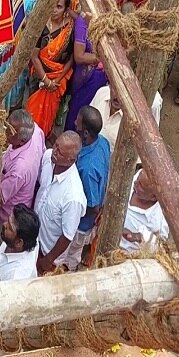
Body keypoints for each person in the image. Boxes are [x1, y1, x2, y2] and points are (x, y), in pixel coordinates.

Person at [64, 106, 110, 270]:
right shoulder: (103, 142)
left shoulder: (87, 168)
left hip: (81, 224)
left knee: (70, 254)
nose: (75, 122)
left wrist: (73, 217)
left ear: (85, 133)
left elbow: (93, 205)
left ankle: (70, 272)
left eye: (78, 121)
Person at [34, 131, 85, 274]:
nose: (54, 152)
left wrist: (47, 260)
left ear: (71, 160)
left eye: (60, 152)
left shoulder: (73, 196)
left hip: (49, 254)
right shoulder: (48, 157)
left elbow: (67, 236)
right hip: (34, 241)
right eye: (56, 146)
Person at [27, 0, 74, 137]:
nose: (54, 10)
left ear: (66, 9)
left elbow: (71, 58)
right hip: (39, 78)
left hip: (58, 80)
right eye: (52, 5)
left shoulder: (70, 29)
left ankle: (43, 138)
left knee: (49, 114)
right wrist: (46, 81)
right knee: (32, 114)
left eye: (59, 7)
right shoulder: (41, 24)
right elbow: (34, 57)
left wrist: (56, 81)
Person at [65, 0, 107, 132]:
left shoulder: (105, 21)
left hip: (99, 79)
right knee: (78, 113)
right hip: (87, 77)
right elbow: (79, 56)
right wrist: (104, 57)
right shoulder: (83, 22)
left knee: (93, 113)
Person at [0, 109, 45, 224]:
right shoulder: (35, 130)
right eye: (7, 125)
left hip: (8, 215)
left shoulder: (19, 169)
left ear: (22, 141)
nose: (5, 131)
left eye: (10, 131)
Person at [90, 84, 162, 152]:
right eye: (115, 89)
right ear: (110, 85)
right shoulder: (101, 93)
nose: (117, 96)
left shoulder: (137, 121)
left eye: (122, 92)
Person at [120, 169, 169, 253]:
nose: (135, 183)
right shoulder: (139, 178)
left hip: (128, 257)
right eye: (138, 179)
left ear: (154, 197)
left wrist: (139, 237)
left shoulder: (161, 217)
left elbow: (161, 247)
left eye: (141, 185)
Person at [0, 204, 40, 281]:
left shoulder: (15, 277)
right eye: (8, 220)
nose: (4, 224)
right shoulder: (33, 237)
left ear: (19, 243)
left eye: (10, 228)